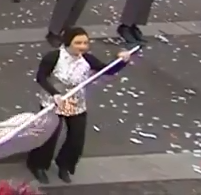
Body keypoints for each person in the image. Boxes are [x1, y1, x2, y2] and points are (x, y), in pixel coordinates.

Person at [25, 28, 132, 184]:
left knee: (76, 138)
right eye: (78, 43)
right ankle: (38, 166)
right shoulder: (53, 57)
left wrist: (122, 61)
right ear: (68, 43)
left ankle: (64, 165)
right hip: (54, 101)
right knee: (49, 135)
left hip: (76, 103)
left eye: (85, 43)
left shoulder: (87, 59)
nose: (82, 46)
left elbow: (107, 70)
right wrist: (54, 93)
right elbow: (41, 77)